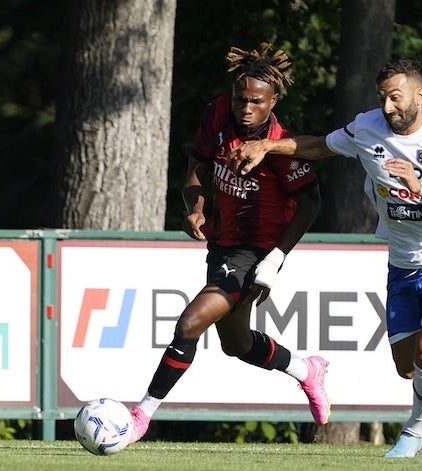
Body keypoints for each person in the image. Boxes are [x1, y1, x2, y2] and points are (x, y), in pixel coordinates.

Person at [228, 59, 422, 458]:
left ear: (419, 96)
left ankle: (413, 433)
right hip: (403, 262)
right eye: (382, 98)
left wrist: (418, 185)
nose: (388, 107)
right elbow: (320, 145)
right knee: (409, 368)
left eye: (396, 97)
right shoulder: (367, 126)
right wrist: (268, 145)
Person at [128, 43, 329, 443]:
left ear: (273, 101)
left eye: (256, 101)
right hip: (222, 244)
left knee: (189, 323)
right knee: (235, 344)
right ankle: (307, 370)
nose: (246, 107)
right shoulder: (216, 114)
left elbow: (311, 203)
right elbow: (197, 167)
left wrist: (276, 258)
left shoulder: (281, 147)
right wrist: (195, 207)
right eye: (241, 98)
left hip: (256, 252)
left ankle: (140, 415)